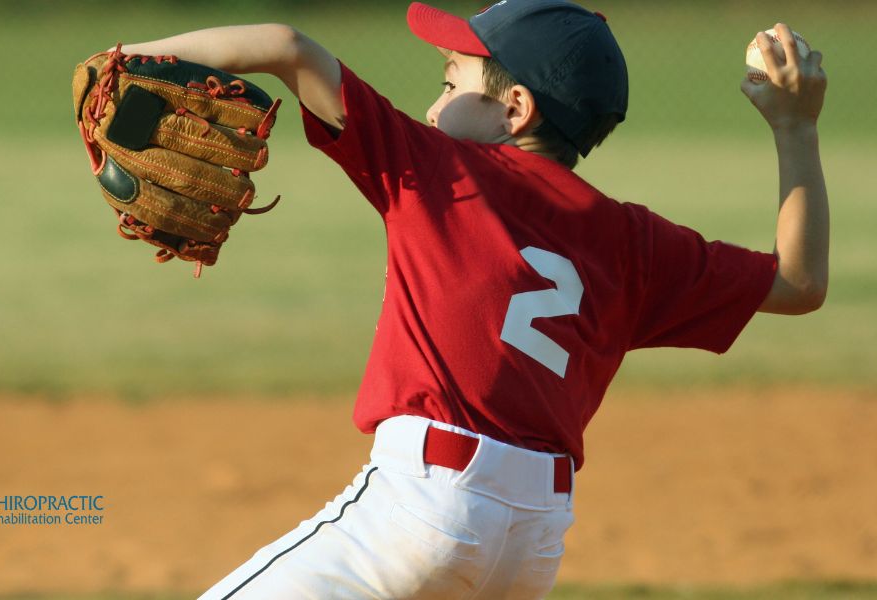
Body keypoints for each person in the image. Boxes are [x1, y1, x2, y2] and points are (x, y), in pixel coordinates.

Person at [119, 1, 828, 598]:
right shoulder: (633, 242)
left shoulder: (438, 170)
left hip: (423, 508)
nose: (433, 105)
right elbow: (800, 284)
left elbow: (282, 45)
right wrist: (794, 127)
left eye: (450, 81)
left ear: (514, 109)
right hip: (534, 542)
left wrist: (122, 61)